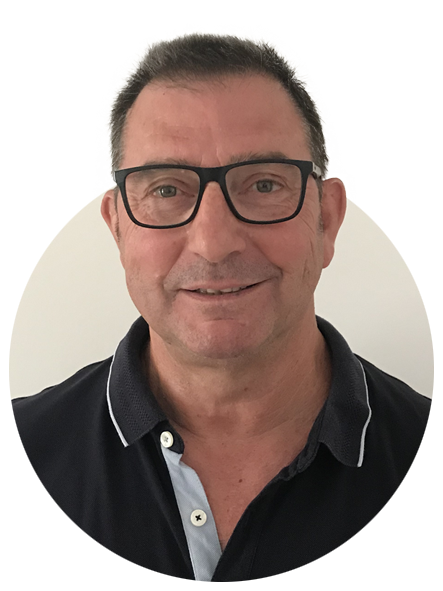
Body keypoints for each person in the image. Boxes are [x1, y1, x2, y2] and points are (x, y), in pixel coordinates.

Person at [9, 33, 433, 583]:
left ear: (326, 220)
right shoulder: (13, 463)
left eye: (264, 184)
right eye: (166, 190)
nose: (214, 243)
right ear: (118, 227)